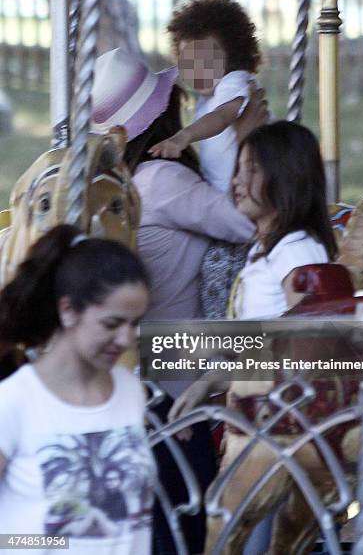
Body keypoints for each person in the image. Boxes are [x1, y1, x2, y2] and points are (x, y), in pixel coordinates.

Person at [91, 48, 267, 555]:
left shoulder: (126, 185)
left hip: (152, 376)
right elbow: (254, 222)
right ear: (165, 113)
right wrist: (248, 139)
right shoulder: (164, 181)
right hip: (182, 387)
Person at [168, 121, 338, 554]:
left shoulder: (298, 252)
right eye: (238, 169)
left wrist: (211, 381)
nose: (236, 181)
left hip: (281, 424)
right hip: (257, 417)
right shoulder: (268, 251)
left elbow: (300, 343)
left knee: (232, 529)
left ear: (284, 177)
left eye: (251, 170)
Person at [0, 224, 155, 555]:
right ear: (67, 311)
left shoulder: (130, 391)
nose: (126, 339)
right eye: (112, 324)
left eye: (135, 323)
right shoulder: (13, 401)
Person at [149, 0, 262, 195]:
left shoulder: (234, 82)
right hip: (225, 194)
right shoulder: (207, 97)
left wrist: (183, 137)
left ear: (233, 56)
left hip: (245, 195)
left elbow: (222, 116)